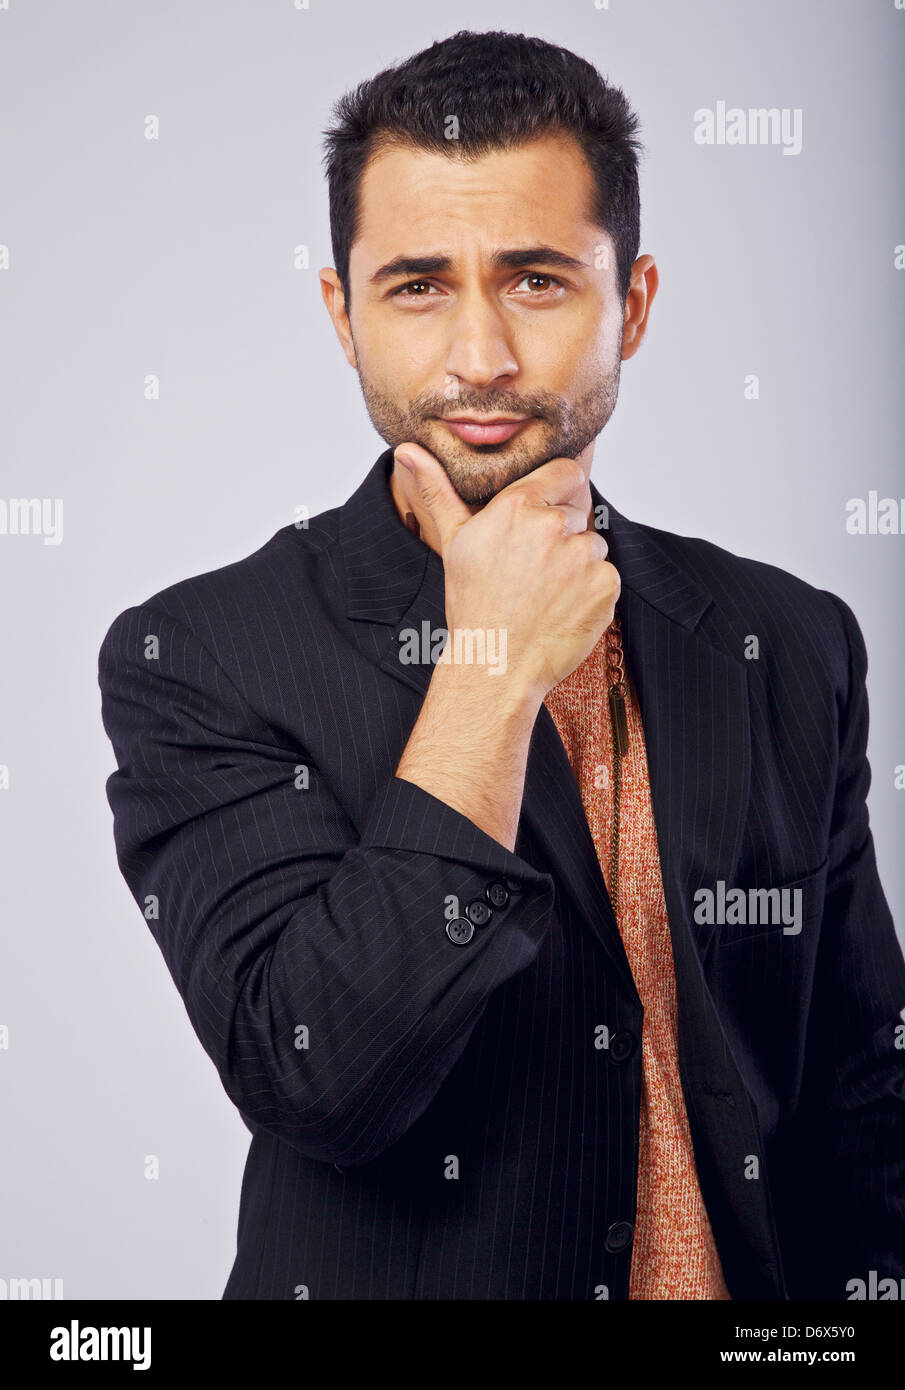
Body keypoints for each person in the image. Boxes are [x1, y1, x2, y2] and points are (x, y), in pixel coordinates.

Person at [98, 30, 905, 1300]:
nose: (477, 356)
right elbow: (315, 1074)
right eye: (417, 285)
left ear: (630, 304)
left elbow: (864, 1091)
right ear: (341, 313)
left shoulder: (789, 641)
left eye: (534, 281)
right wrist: (487, 670)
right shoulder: (197, 654)